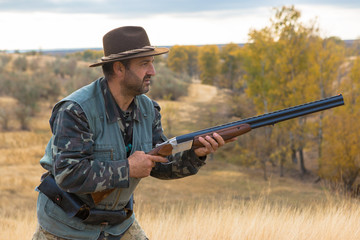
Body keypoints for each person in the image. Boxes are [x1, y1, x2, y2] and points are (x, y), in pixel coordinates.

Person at [32, 26, 230, 240]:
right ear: (118, 69)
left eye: (152, 63)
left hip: (118, 223)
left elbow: (159, 164)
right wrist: (127, 168)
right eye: (145, 63)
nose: (152, 71)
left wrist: (196, 154)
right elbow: (68, 174)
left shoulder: (148, 110)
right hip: (66, 226)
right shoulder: (76, 110)